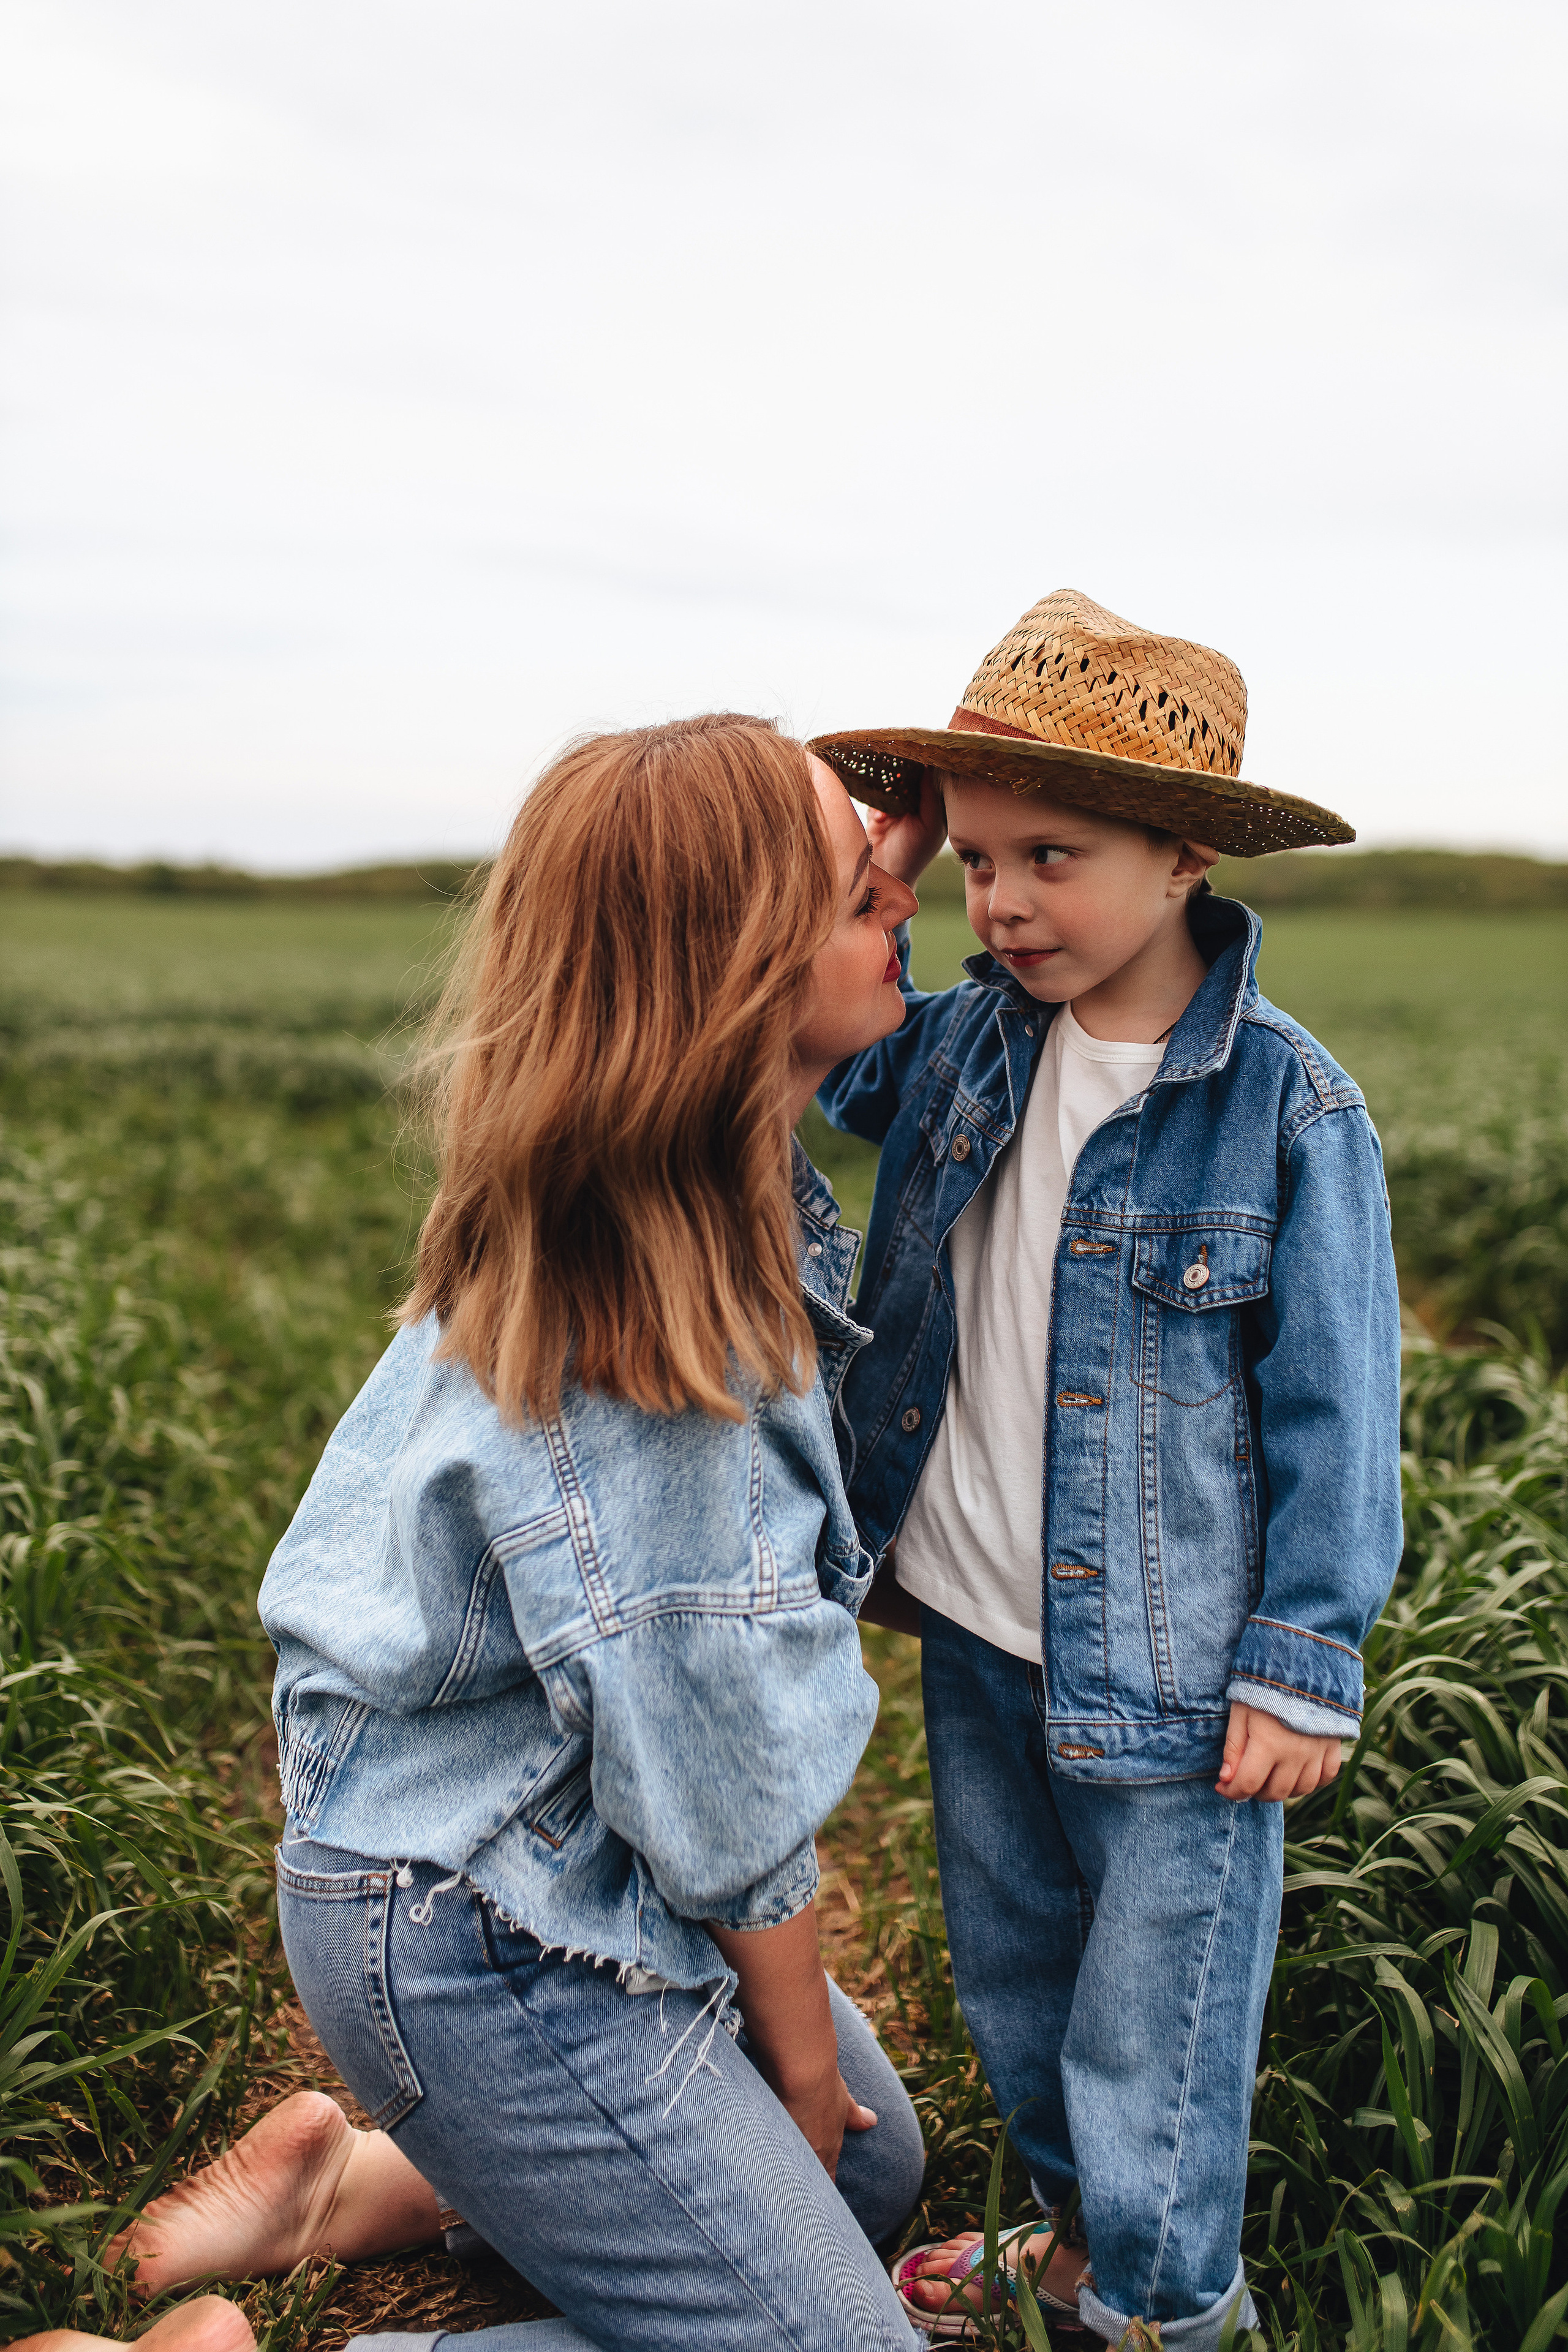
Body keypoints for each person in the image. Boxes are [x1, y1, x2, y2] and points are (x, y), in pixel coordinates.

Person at [66, 714, 929, 2352]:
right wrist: (797, 2078)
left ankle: (364, 2187)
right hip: (488, 1939)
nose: (907, 900)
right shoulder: (676, 1359)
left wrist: (884, 844)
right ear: (745, 965)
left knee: (877, 2195)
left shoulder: (625, 1201)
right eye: (861, 888)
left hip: (530, 1863)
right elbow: (727, 1803)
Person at [810, 590, 1404, 2349]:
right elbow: (836, 1046)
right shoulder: (971, 1045)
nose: (1000, 905)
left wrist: (1306, 1658)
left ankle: (1158, 2315)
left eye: (1048, 856)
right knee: (1018, 1991)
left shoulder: (1285, 1109)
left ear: (1187, 855)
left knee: (1160, 2031)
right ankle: (1075, 2255)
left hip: (1178, 1682)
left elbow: (1336, 1411)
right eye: (975, 863)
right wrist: (885, 863)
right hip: (983, 1640)